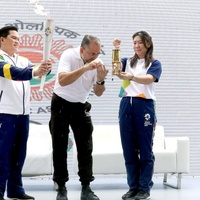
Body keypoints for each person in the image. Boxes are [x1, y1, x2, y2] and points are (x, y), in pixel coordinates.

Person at [0, 25, 52, 200]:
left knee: (18, 155)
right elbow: (11, 72)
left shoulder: (23, 60)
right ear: (2, 39)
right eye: (13, 38)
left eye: (18, 38)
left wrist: (45, 67)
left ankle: (15, 189)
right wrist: (35, 71)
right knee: (1, 155)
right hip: (0, 113)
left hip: (22, 114)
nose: (17, 41)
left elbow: (34, 71)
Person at [49, 35, 108, 200]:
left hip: (80, 105)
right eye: (91, 53)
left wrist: (101, 81)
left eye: (97, 54)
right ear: (82, 50)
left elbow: (98, 93)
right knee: (59, 146)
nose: (95, 57)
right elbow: (62, 80)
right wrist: (86, 67)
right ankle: (61, 187)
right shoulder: (68, 55)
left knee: (85, 146)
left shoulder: (98, 62)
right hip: (60, 102)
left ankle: (86, 187)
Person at [113, 31, 162, 200]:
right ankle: (133, 187)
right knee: (128, 149)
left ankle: (144, 188)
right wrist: (116, 49)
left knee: (145, 149)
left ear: (148, 43)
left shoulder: (154, 63)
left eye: (140, 42)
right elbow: (117, 70)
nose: (136, 45)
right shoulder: (127, 61)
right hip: (126, 104)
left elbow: (149, 79)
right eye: (134, 42)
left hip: (144, 106)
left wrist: (132, 77)